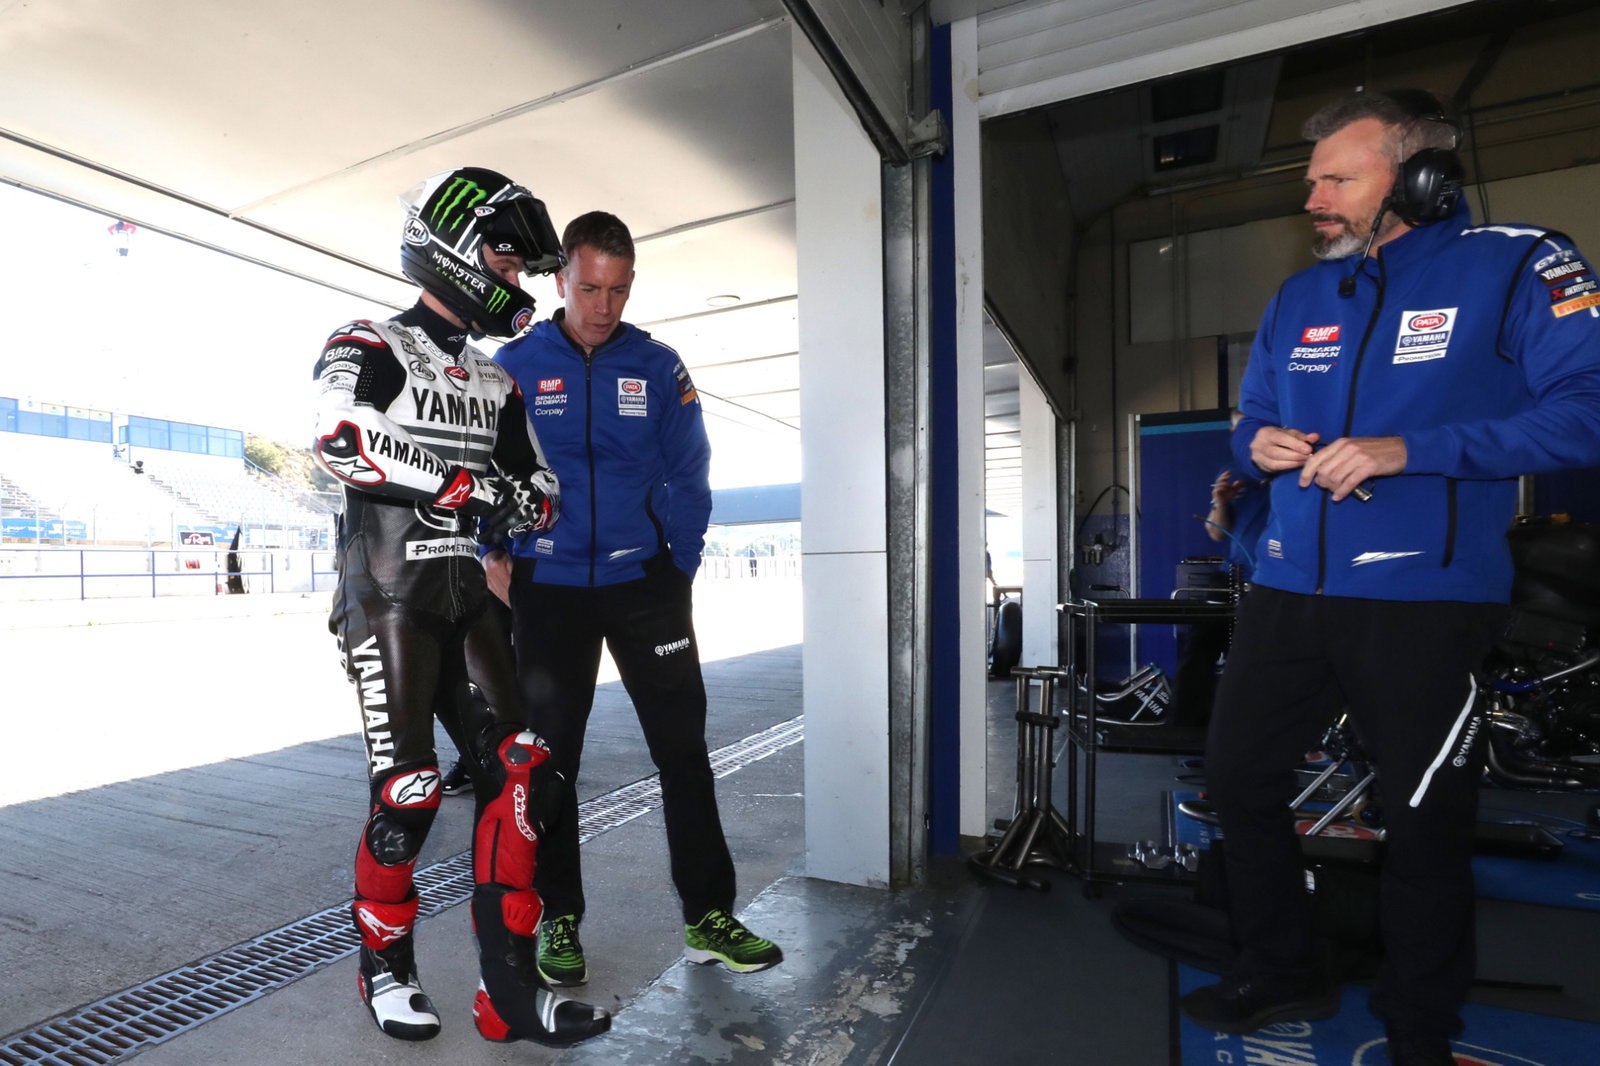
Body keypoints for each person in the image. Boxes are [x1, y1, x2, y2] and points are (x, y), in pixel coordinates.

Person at [1179, 90, 1600, 1066]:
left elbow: (1587, 409)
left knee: (1420, 822)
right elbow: (1246, 418)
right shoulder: (1299, 297)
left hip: (1423, 600)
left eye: (1336, 177)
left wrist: (1409, 449)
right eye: (1310, 176)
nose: (1311, 195)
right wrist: (1262, 443)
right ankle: (1279, 961)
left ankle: (1419, 1025)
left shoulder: (1516, 264)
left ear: (1416, 179)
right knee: (1239, 781)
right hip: (1287, 590)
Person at [312, 167, 611, 1048]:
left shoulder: (498, 382)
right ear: (449, 247)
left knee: (525, 776)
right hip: (387, 601)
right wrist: (465, 485)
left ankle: (505, 993)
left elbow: (542, 488)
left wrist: (513, 499)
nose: (514, 281)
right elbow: (340, 436)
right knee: (406, 797)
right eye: (506, 259)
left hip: (472, 601)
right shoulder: (366, 339)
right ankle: (385, 970)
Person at [483, 210, 783, 987]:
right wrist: (494, 549)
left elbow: (691, 472)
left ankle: (710, 916)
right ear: (561, 281)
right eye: (589, 287)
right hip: (547, 589)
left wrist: (675, 568)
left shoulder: (658, 367)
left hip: (644, 585)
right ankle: (559, 920)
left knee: (682, 752)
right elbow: (487, 469)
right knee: (548, 762)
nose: (602, 305)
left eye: (617, 290)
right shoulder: (514, 363)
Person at [1171, 425, 1268, 727]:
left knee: (1264, 662)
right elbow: (1215, 531)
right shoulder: (1234, 473)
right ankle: (1185, 729)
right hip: (1233, 578)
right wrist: (1222, 502)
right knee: (1199, 652)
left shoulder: (1297, 473)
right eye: (1236, 427)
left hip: (1279, 583)